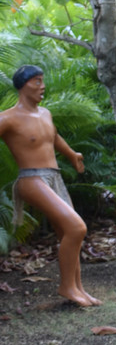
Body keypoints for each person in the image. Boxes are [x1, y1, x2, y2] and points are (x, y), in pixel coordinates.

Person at [0, 64, 100, 307]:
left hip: (54, 177)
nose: (42, 86)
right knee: (77, 228)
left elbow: (53, 137)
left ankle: (78, 288)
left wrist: (72, 154)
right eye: (37, 81)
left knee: (67, 232)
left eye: (42, 80)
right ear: (23, 86)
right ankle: (66, 286)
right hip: (31, 179)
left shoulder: (45, 114)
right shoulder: (8, 118)